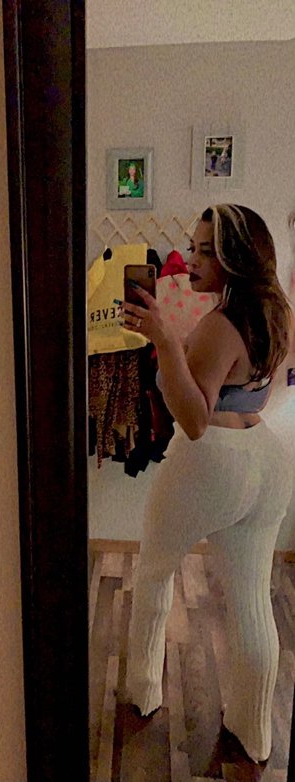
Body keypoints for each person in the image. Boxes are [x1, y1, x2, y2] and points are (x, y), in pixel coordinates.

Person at [122, 204, 294, 763]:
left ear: (235, 257)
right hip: (266, 456)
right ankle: (254, 731)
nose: (191, 259)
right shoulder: (277, 314)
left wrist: (165, 340)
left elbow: (194, 420)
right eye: (193, 247)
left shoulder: (222, 324)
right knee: (251, 600)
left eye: (204, 251)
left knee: (154, 570)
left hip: (211, 461)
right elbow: (262, 390)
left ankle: (144, 691)